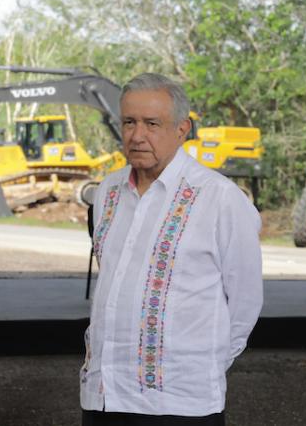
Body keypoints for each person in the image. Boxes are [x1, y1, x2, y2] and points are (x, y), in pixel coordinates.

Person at [80, 73, 263, 425]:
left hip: (181, 405)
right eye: (129, 122)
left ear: (183, 129)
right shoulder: (108, 191)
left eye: (152, 123)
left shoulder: (219, 198)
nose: (137, 136)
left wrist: (201, 366)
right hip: (104, 397)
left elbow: (245, 301)